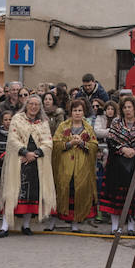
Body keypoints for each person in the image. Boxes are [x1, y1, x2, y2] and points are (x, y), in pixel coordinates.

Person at [0, 94, 55, 237]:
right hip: (19, 161)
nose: (34, 107)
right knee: (12, 193)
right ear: (26, 105)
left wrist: (35, 154)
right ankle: (5, 226)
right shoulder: (17, 119)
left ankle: (26, 224)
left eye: (37, 104)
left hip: (36, 163)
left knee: (32, 194)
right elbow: (12, 139)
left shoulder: (43, 122)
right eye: (31, 104)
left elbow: (48, 142)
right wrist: (24, 152)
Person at [100, 96, 135, 234]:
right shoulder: (116, 123)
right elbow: (111, 141)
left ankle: (130, 227)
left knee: (134, 196)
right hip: (117, 165)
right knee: (116, 196)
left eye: (130, 107)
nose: (127, 110)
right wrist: (123, 149)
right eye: (125, 107)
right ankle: (115, 227)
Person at [51, 97, 99, 232]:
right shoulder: (63, 126)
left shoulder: (88, 128)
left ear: (83, 112)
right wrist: (69, 144)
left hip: (82, 166)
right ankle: (56, 219)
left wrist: (82, 144)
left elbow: (94, 146)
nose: (77, 113)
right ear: (70, 112)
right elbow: (55, 143)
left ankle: (76, 222)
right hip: (65, 166)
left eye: (80, 110)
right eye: (75, 110)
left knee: (78, 192)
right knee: (63, 189)